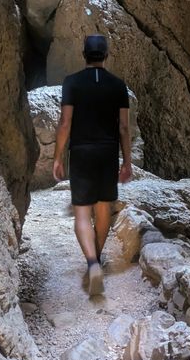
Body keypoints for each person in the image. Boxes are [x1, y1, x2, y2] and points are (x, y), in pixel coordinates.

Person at [52, 34, 132, 296]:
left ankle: (92, 262)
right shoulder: (118, 86)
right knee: (103, 211)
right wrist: (127, 161)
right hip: (108, 153)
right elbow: (123, 127)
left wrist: (57, 156)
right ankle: (96, 258)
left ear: (83, 54)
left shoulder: (72, 83)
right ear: (106, 55)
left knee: (82, 214)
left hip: (82, 153)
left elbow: (65, 122)